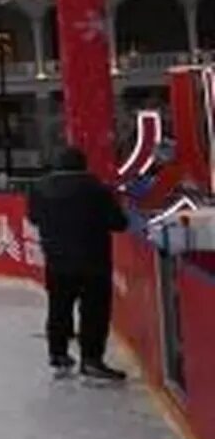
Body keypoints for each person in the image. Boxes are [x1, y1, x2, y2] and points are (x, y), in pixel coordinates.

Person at [28, 147, 130, 380]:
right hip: (93, 261)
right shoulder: (96, 189)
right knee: (94, 311)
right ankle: (91, 359)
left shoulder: (39, 188)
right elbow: (118, 223)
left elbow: (33, 217)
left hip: (57, 260)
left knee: (59, 307)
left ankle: (58, 353)